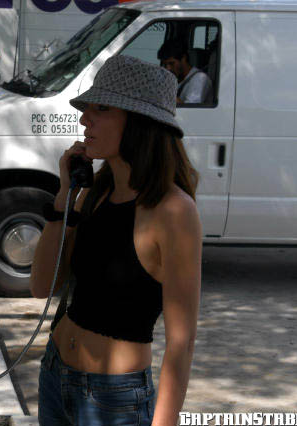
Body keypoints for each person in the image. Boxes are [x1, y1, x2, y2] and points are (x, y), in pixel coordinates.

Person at [30, 55, 202, 426]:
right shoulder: (96, 192)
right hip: (55, 375)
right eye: (87, 109)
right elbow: (42, 285)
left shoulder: (173, 211)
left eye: (102, 109)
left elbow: (182, 341)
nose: (84, 120)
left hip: (114, 399)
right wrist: (65, 197)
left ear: (139, 122)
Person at [158, 38, 213, 105]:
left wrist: (166, 96)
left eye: (171, 63)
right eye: (165, 64)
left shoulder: (200, 79)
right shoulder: (176, 79)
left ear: (183, 58)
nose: (168, 68)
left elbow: (190, 108)